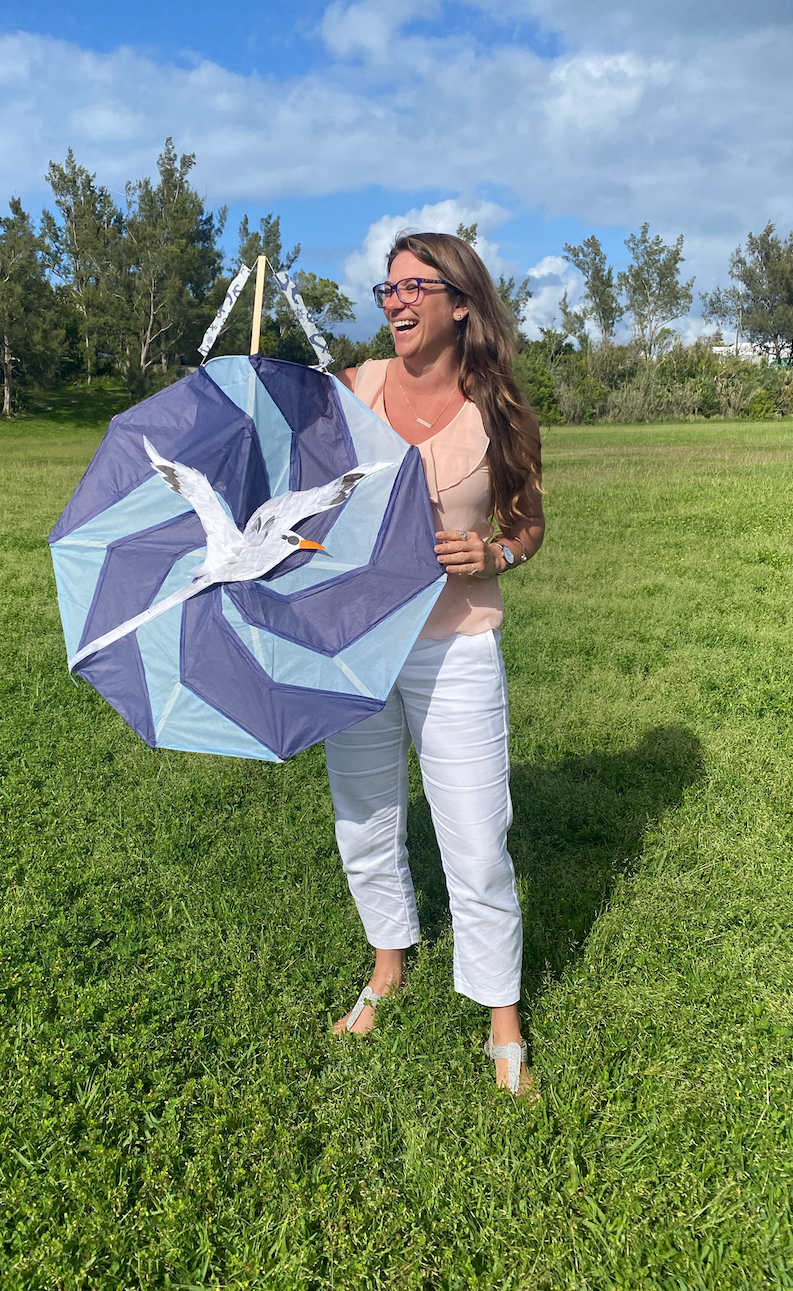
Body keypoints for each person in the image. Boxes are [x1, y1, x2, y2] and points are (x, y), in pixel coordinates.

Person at [327, 232, 545, 1094]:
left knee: (477, 836)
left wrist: (497, 554)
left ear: (460, 303)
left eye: (415, 286)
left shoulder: (500, 409)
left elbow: (528, 524)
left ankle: (502, 1013)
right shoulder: (353, 388)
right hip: (358, 645)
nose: (396, 301)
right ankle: (389, 963)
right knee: (364, 819)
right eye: (388, 289)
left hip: (456, 645)